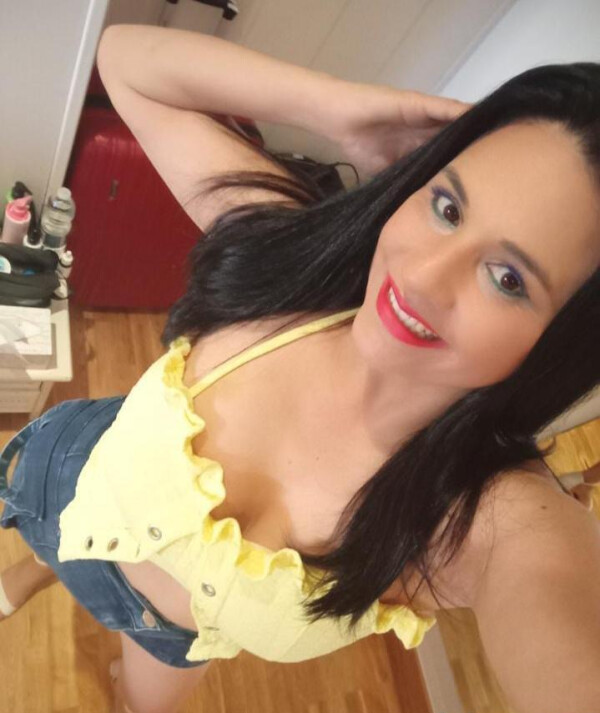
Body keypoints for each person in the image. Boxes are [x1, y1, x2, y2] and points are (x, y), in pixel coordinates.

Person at [0, 23, 599, 713]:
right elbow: (126, 61)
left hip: (168, 633)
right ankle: (35, 570)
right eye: (448, 206)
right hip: (69, 481)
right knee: (60, 536)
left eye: (507, 278)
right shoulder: (298, 266)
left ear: (562, 342)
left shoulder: (477, 511)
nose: (421, 276)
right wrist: (338, 109)